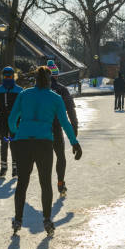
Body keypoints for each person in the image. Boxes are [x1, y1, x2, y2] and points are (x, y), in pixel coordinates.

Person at [8, 66, 82, 236]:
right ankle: (47, 219)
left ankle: (18, 220)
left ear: (35, 79)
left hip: (23, 141)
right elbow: (64, 122)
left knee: (22, 183)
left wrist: (16, 133)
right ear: (49, 80)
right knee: (45, 183)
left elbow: (12, 120)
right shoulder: (55, 98)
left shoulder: (24, 94)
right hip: (43, 142)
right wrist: (74, 142)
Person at [47, 60, 79, 198]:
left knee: (44, 159)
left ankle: (45, 185)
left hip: (40, 130)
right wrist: (74, 131)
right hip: (56, 128)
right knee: (60, 156)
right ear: (56, 75)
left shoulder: (35, 91)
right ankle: (60, 182)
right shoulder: (62, 90)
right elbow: (71, 112)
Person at [0, 66, 23, 178]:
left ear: (13, 76)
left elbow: (22, 107)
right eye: (5, 76)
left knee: (14, 143)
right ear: (2, 77)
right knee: (4, 142)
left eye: (10, 76)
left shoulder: (19, 90)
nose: (7, 78)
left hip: (15, 121)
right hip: (3, 120)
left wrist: (23, 119)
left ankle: (15, 167)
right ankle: (4, 167)